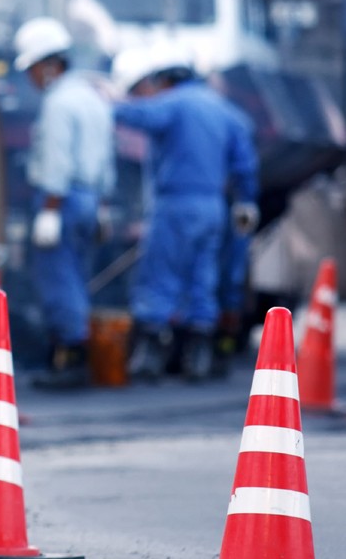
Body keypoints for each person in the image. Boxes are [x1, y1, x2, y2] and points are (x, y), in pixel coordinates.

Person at [111, 43, 258, 382]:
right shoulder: (225, 111)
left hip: (175, 203)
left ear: (166, 78)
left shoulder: (174, 104)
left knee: (160, 275)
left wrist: (106, 103)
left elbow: (138, 115)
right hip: (213, 208)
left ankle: (149, 356)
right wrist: (247, 200)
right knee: (202, 278)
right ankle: (200, 356)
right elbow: (245, 163)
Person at [13, 17, 116, 388]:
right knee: (76, 276)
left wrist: (50, 211)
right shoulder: (93, 99)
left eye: (32, 69)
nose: (31, 78)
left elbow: (57, 160)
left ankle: (71, 358)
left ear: (50, 65)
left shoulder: (58, 104)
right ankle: (72, 354)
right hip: (90, 198)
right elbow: (106, 160)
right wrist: (103, 206)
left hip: (63, 199)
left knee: (58, 279)